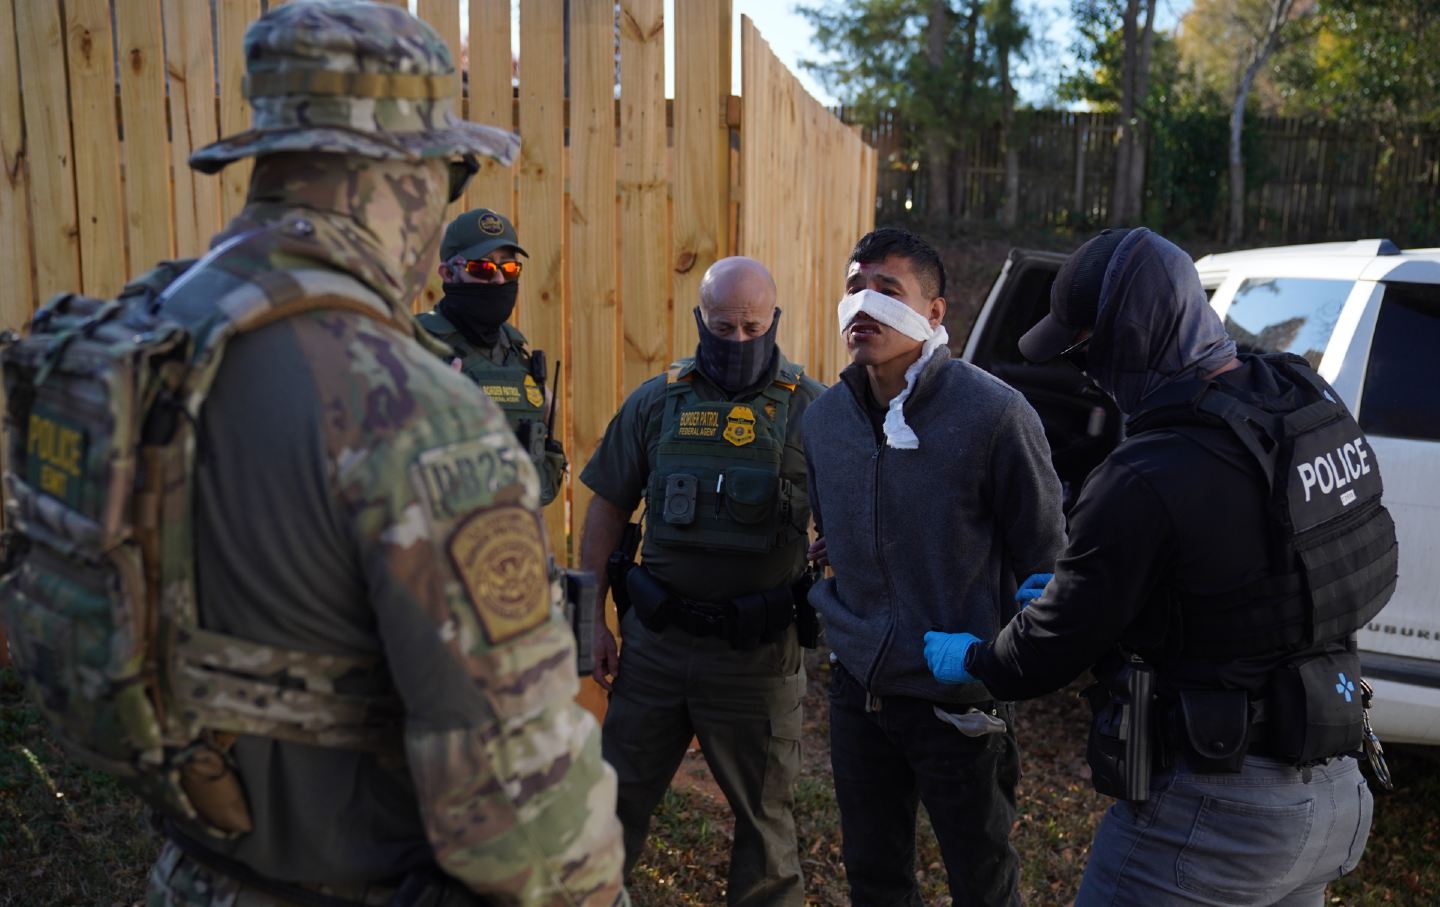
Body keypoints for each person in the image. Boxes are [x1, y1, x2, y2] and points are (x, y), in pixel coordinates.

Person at [0, 3, 627, 904]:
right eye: (449, 178)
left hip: (192, 869)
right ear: (398, 178)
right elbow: (523, 825)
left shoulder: (150, 333)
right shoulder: (409, 410)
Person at [924, 227, 1396, 906]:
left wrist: (977, 658)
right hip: (1335, 792)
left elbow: (1048, 650)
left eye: (1089, 349)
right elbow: (1253, 580)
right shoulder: (1300, 398)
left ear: (1131, 336)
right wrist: (1101, 599)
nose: (1088, 374)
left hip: (1217, 817)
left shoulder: (1145, 473)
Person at [803, 227, 1066, 906]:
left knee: (982, 879)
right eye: (854, 287)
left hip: (959, 703)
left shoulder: (995, 414)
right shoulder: (824, 420)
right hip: (858, 690)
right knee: (876, 876)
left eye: (887, 289)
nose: (864, 303)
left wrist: (998, 662)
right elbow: (835, 536)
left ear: (936, 312)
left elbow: (1048, 562)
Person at [579, 257, 824, 907]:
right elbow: (607, 504)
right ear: (699, 320)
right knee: (608, 806)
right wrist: (591, 620)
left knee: (766, 834)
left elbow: (859, 516)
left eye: (751, 326)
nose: (738, 340)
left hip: (758, 657)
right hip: (657, 650)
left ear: (774, 319)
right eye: (723, 326)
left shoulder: (813, 411)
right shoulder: (658, 401)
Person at [420, 208, 568, 506]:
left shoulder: (517, 354)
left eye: (510, 269)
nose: (499, 280)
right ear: (447, 274)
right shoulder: (415, 347)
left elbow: (541, 477)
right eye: (483, 269)